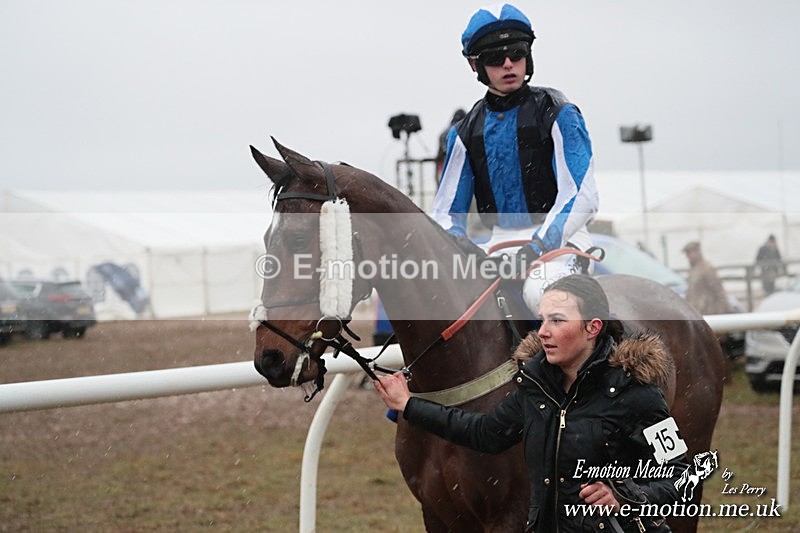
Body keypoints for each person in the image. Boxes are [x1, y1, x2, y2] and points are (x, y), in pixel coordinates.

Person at [374, 274, 684, 532]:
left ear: (593, 327)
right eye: (542, 319)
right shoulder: (535, 386)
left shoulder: (637, 394)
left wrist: (625, 495)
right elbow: (483, 433)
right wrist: (409, 405)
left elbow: (681, 476)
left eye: (558, 320)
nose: (543, 332)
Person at [431, 3, 599, 312]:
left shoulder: (560, 113)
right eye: (495, 59)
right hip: (498, 245)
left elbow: (582, 196)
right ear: (475, 66)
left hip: (561, 241)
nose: (509, 64)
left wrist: (538, 246)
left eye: (517, 53)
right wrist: (466, 248)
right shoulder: (465, 133)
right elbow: (445, 214)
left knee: (542, 296)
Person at [682, 241, 731, 315]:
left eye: (689, 253)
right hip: (696, 311)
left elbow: (718, 289)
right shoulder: (693, 269)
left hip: (707, 310)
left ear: (697, 252)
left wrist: (727, 308)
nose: (687, 256)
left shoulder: (706, 268)